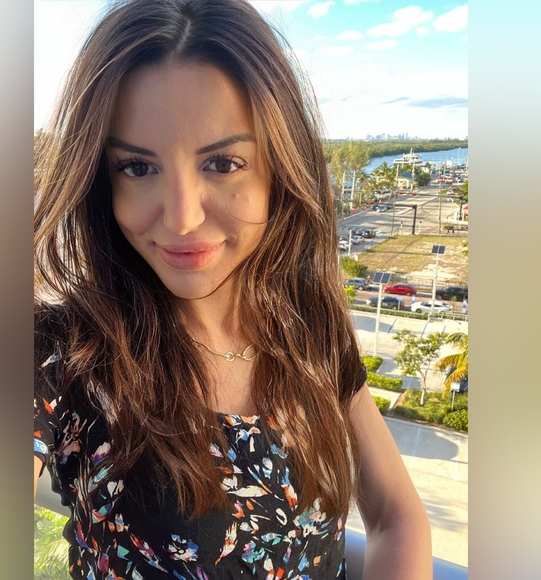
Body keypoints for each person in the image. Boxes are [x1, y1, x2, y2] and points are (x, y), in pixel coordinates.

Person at [34, 0, 432, 578]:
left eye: (222, 163)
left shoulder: (308, 328)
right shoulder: (64, 350)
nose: (182, 218)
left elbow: (396, 515)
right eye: (138, 168)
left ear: (279, 169)